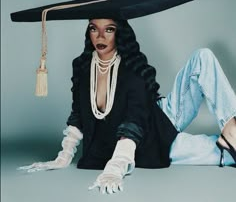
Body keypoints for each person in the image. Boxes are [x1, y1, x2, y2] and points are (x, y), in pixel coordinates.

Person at [18, 18, 236, 194]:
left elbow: (135, 119)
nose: (100, 36)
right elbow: (79, 113)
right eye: (94, 29)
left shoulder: (132, 68)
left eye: (109, 29)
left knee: (203, 57)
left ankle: (232, 127)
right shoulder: (82, 66)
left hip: (157, 120)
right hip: (149, 143)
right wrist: (64, 156)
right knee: (226, 155)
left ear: (119, 33)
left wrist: (116, 166)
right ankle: (230, 142)